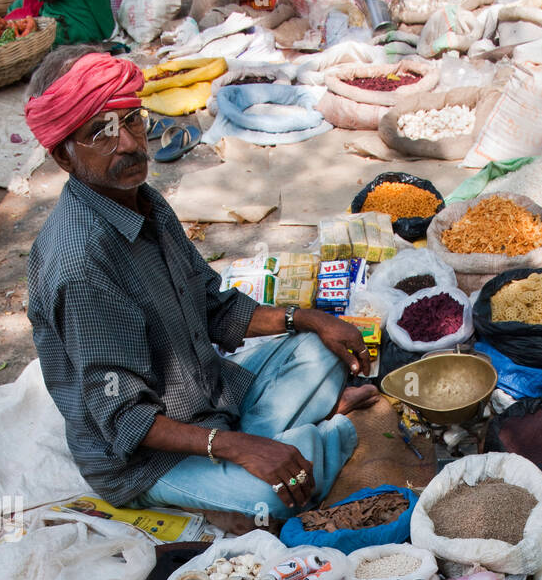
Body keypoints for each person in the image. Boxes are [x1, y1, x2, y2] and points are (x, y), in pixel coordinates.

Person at [25, 47, 377, 527]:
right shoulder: (82, 265)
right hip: (149, 457)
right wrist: (235, 445)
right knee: (269, 500)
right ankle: (312, 436)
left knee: (321, 346)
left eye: (131, 120)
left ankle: (286, 440)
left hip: (208, 394)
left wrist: (309, 318)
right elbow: (127, 419)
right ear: (62, 155)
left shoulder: (142, 199)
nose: (128, 144)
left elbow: (216, 306)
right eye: (100, 134)